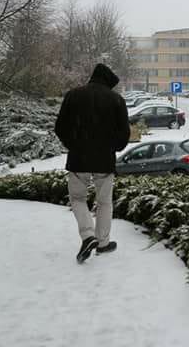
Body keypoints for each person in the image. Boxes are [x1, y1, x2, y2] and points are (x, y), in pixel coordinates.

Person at [55, 63, 131, 263]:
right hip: (104, 161)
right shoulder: (116, 100)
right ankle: (103, 243)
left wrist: (74, 143)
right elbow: (124, 135)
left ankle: (88, 235)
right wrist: (110, 147)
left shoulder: (73, 95)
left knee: (78, 199)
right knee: (105, 202)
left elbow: (60, 127)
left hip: (78, 159)